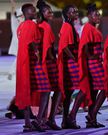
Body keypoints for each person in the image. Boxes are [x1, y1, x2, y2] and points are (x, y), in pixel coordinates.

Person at [67, 3, 106, 128]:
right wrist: (90, 56)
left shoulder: (92, 27)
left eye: (99, 15)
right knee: (105, 88)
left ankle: (88, 118)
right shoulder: (88, 27)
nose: (98, 17)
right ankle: (91, 115)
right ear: (89, 16)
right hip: (93, 64)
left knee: (92, 90)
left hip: (95, 62)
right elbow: (84, 46)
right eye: (95, 15)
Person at [15, 3, 43, 132]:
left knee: (24, 90)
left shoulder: (20, 26)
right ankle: (40, 119)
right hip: (29, 61)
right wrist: (37, 54)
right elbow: (33, 42)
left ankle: (27, 122)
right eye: (32, 10)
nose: (35, 11)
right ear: (26, 12)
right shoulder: (32, 25)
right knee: (40, 89)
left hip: (21, 61)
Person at [36, 0, 62, 130]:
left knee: (50, 91)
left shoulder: (41, 25)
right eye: (48, 12)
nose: (51, 13)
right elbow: (47, 47)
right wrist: (53, 59)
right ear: (42, 13)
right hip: (49, 62)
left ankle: (46, 119)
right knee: (54, 89)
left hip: (46, 61)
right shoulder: (45, 26)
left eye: (51, 11)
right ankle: (47, 119)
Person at [58, 5, 80, 129]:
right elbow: (65, 47)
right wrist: (74, 58)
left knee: (69, 91)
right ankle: (70, 117)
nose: (76, 13)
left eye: (76, 11)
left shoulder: (70, 26)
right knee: (82, 88)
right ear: (67, 15)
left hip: (71, 61)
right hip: (71, 63)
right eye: (73, 12)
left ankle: (66, 121)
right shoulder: (67, 26)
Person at [7, 0, 24, 80]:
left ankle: (13, 72)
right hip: (17, 44)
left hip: (23, 44)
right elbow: (12, 12)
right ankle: (11, 72)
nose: (22, 16)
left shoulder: (25, 22)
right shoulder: (14, 22)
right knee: (19, 58)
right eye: (20, 15)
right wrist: (13, 4)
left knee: (20, 59)